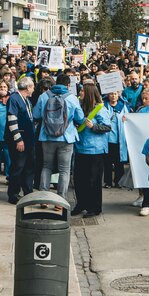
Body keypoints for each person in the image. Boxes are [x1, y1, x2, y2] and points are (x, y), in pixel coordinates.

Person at [34, 73, 86, 202]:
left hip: (46, 137)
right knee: (64, 170)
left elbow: (36, 115)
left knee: (46, 167)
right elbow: (80, 118)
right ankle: (60, 200)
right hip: (66, 138)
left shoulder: (43, 96)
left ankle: (43, 198)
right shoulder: (72, 98)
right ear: (68, 85)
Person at [72, 82, 109, 217]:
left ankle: (94, 207)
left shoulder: (100, 109)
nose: (80, 93)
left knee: (93, 180)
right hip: (80, 148)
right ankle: (81, 204)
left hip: (95, 150)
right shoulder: (80, 107)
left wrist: (93, 126)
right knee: (79, 179)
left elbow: (107, 127)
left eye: (82, 91)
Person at [5, 76, 37, 204]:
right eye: (32, 87)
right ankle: (13, 193)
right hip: (20, 139)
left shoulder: (27, 100)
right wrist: (18, 139)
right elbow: (12, 119)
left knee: (29, 166)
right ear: (28, 87)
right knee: (18, 166)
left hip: (29, 139)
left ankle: (28, 191)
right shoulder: (14, 98)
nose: (33, 89)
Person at [103, 91, 128, 189]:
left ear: (118, 96)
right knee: (107, 163)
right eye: (111, 94)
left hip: (119, 139)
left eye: (115, 94)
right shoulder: (104, 106)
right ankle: (108, 182)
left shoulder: (123, 107)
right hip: (108, 139)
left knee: (119, 163)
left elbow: (128, 118)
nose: (113, 96)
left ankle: (118, 181)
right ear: (108, 95)